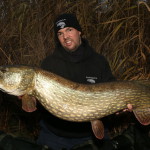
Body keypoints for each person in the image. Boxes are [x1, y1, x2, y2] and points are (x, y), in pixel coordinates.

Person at [36, 13, 131, 150]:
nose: (65, 36)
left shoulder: (99, 62)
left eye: (69, 30)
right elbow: (40, 106)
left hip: (91, 135)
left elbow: (114, 90)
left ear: (79, 31)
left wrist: (121, 107)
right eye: (60, 33)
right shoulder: (48, 65)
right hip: (54, 136)